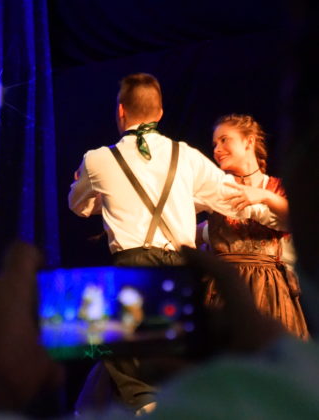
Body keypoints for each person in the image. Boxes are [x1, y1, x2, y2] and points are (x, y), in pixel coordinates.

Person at [67, 73, 283, 414]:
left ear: (121, 111)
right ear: (160, 112)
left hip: (134, 267)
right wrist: (278, 215)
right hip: (181, 270)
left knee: (122, 363)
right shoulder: (186, 156)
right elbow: (235, 199)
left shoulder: (97, 160)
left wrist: (99, 191)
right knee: (175, 372)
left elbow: (77, 206)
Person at [202, 114, 308, 339]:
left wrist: (264, 196)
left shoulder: (277, 188)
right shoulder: (215, 188)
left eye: (224, 140)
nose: (217, 149)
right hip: (224, 290)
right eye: (214, 144)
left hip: (270, 292)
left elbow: (301, 220)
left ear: (248, 141)